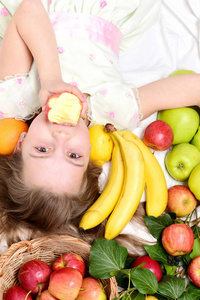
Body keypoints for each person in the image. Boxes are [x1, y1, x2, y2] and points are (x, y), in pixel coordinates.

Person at [0, 0, 199, 254]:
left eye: (42, 149)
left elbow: (29, 8)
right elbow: (192, 89)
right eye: (73, 156)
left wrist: (50, 78)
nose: (61, 136)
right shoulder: (113, 110)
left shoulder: (15, 100)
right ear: (91, 152)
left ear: (20, 143)